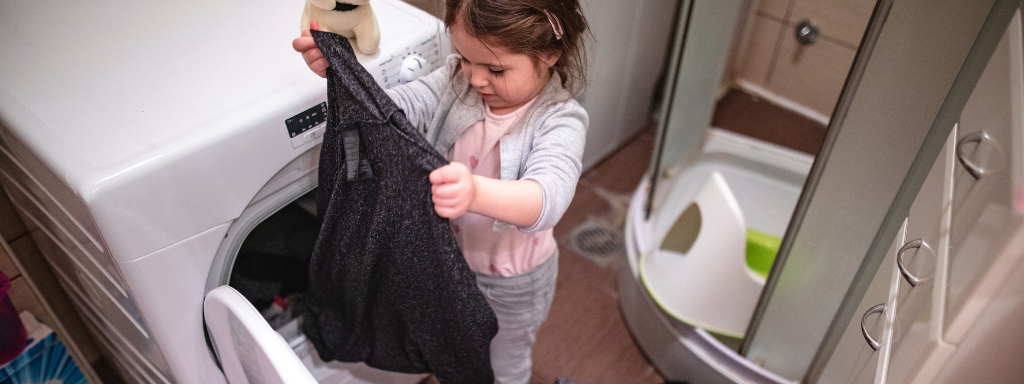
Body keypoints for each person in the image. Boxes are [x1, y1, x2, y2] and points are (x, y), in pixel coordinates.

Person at [293, 0, 589, 382]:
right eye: (466, 59)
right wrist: (345, 75)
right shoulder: (456, 81)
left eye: (495, 69)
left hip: (513, 283)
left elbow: (546, 198)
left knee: (505, 364)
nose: (476, 78)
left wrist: (475, 193)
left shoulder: (560, 120)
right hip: (450, 261)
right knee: (457, 343)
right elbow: (394, 113)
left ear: (550, 53)